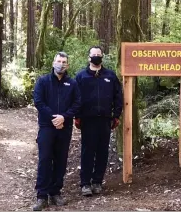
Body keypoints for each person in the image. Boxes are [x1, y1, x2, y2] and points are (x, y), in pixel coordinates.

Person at [33, 52, 81, 211]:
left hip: (64, 127)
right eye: (59, 61)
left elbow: (76, 103)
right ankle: (42, 195)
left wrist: (64, 118)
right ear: (54, 63)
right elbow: (39, 102)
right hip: (47, 126)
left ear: (67, 65)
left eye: (64, 62)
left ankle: (55, 192)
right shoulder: (43, 81)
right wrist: (55, 118)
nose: (61, 64)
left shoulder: (72, 83)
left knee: (61, 160)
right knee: (45, 159)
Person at [75, 46, 123, 196]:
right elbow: (75, 98)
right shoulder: (81, 76)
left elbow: (118, 96)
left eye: (98, 55)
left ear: (102, 57)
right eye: (93, 55)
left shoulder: (110, 76)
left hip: (105, 120)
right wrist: (77, 116)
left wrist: (116, 115)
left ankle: (97, 182)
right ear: (89, 57)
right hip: (87, 120)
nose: (96, 57)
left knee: (102, 151)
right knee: (87, 151)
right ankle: (85, 184)